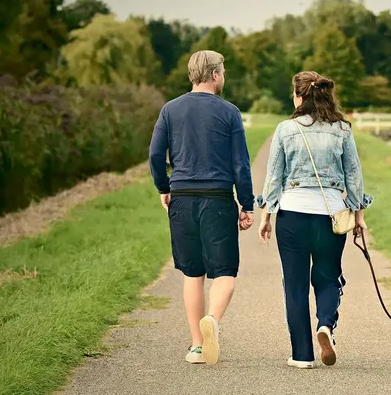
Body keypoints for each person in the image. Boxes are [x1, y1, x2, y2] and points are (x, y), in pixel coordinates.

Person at [256, 71, 373, 369]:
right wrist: (359, 217)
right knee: (328, 277)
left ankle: (302, 355)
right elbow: (354, 178)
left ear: (299, 96)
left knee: (294, 285)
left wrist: (266, 216)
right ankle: (325, 325)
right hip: (331, 217)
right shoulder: (342, 130)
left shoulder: (285, 129)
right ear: (325, 95)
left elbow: (274, 178)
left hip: (292, 215)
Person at [148, 50, 255, 366]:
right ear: (214, 75)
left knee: (192, 273)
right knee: (224, 272)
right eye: (222, 72)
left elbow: (156, 155)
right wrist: (246, 205)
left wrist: (164, 187)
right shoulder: (229, 112)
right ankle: (212, 319)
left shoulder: (170, 110)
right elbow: (240, 164)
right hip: (217, 200)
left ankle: (197, 345)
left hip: (181, 197)